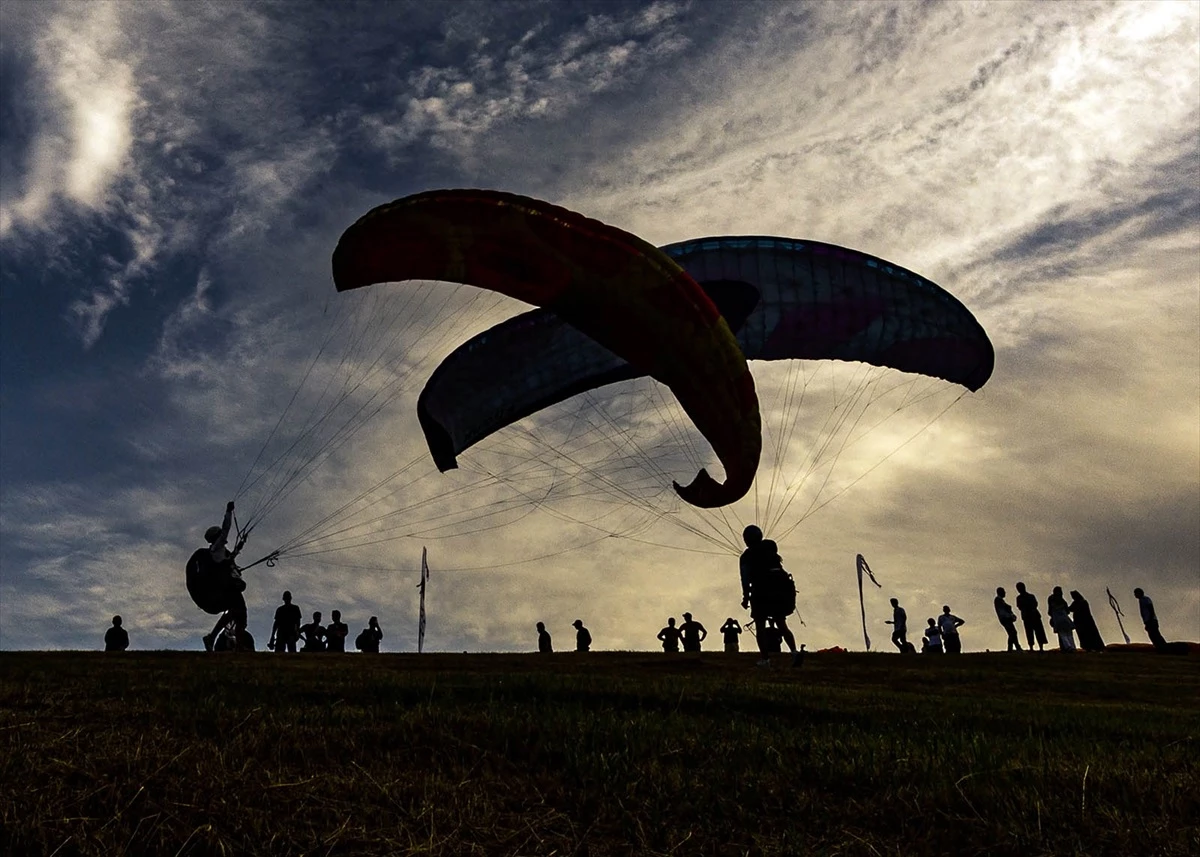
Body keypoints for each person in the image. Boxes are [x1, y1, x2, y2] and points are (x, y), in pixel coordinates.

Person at [740, 528, 802, 667]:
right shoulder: (770, 547)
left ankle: (765, 659)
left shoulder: (746, 556)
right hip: (779, 591)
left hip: (761, 592)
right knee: (781, 623)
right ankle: (794, 652)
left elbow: (745, 579)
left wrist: (745, 598)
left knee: (760, 625)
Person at [194, 500, 249, 652]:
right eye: (220, 535)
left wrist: (239, 547)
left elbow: (229, 560)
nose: (223, 537)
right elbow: (226, 529)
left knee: (236, 614)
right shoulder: (216, 548)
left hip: (228, 587)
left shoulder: (220, 551)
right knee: (240, 615)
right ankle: (230, 643)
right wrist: (228, 512)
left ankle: (215, 638)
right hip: (228, 588)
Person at [1015, 582, 1047, 652]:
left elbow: (1035, 604)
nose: (1019, 589)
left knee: (1039, 632)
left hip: (1034, 615)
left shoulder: (1031, 596)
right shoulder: (1019, 598)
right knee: (1029, 633)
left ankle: (1041, 647)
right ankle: (1031, 647)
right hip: (1027, 617)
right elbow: (1019, 606)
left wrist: (1028, 607)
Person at [1046, 586, 1076, 651]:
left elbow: (1049, 611)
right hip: (1065, 618)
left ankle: (1067, 647)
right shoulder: (1063, 601)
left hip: (1057, 619)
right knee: (1069, 634)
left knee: (1062, 634)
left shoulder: (1051, 599)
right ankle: (1072, 646)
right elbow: (1067, 611)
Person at [994, 587, 1022, 652]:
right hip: (1005, 619)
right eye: (1004, 591)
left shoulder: (1000, 600)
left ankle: (1015, 647)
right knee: (1012, 632)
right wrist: (1010, 616)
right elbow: (1002, 611)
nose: (1005, 593)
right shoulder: (998, 600)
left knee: (1012, 633)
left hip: (1006, 619)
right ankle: (1013, 648)